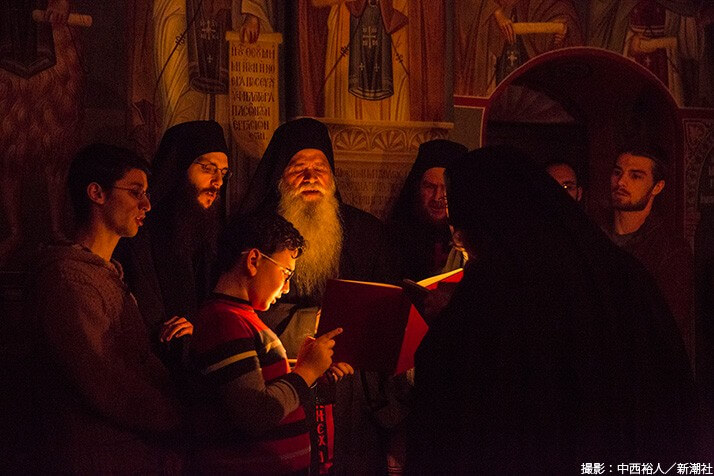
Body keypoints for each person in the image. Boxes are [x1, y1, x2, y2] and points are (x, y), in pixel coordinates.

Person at [408, 145, 696, 473]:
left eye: (463, 228)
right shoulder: (618, 269)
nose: (460, 240)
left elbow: (465, 401)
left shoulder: (501, 282)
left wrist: (450, 324)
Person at [239, 117, 395, 473]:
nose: (310, 177)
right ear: (279, 176)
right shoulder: (257, 232)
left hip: (353, 391)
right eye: (298, 168)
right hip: (285, 383)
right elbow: (244, 307)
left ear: (332, 175)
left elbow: (387, 310)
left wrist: (353, 351)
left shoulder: (366, 232)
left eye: (319, 167)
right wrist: (317, 336)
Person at [24, 144, 184, 474]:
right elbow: (103, 379)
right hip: (96, 453)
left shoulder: (105, 272)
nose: (147, 205)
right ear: (97, 193)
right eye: (135, 192)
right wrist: (178, 417)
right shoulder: (68, 278)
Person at [190, 212, 353, 474]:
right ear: (254, 260)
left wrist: (307, 372)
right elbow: (255, 413)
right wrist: (306, 371)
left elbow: (258, 384)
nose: (286, 288)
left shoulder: (242, 318)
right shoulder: (224, 320)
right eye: (286, 272)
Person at [115, 120, 229, 379]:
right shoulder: (139, 232)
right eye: (208, 168)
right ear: (179, 167)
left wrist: (198, 329)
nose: (218, 181)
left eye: (224, 171)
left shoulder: (210, 232)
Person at [607, 147, 694, 364]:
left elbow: (665, 326)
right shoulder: (592, 234)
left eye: (635, 176)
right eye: (618, 172)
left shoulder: (671, 250)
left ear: (657, 187)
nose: (621, 182)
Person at [388, 139, 468, 280]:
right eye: (430, 187)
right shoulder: (394, 237)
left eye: (445, 188)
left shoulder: (470, 240)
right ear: (417, 188)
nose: (437, 197)